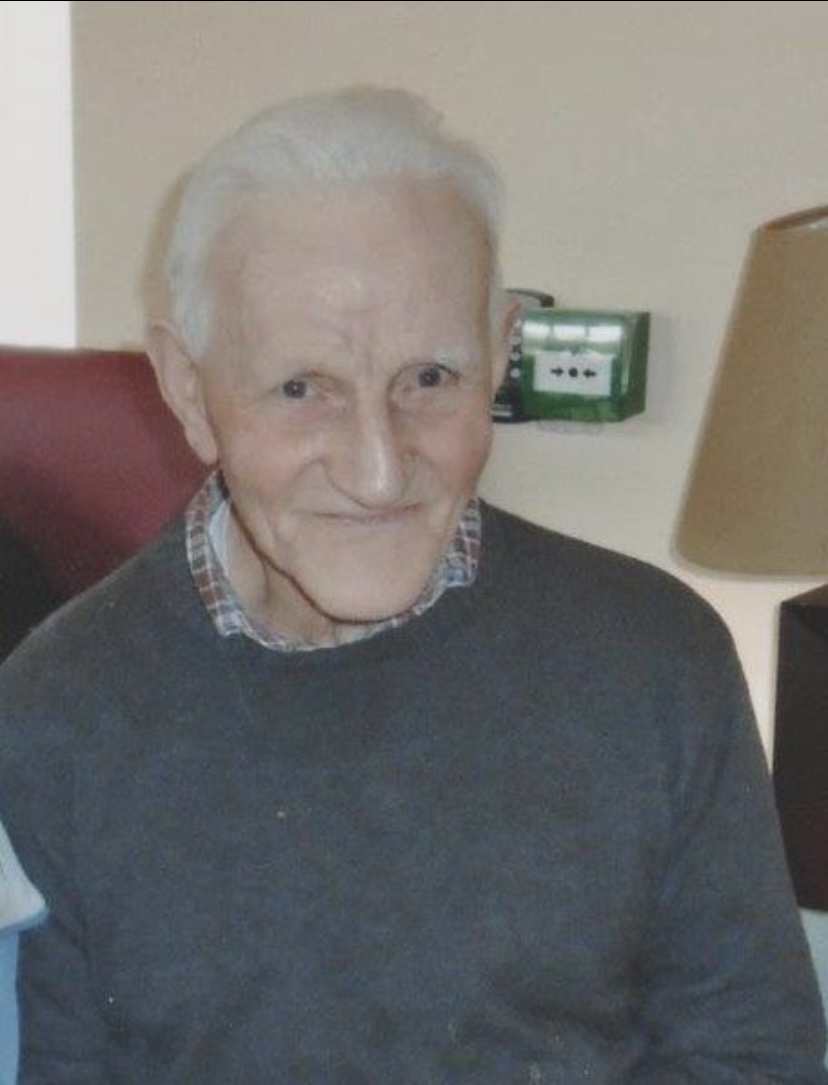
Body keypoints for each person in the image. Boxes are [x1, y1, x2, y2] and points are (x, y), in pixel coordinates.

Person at [0, 87, 824, 1084]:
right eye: (302, 388)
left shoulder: (655, 657)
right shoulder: (53, 716)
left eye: (429, 378)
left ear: (501, 350)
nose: (379, 471)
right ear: (189, 390)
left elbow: (754, 1055)